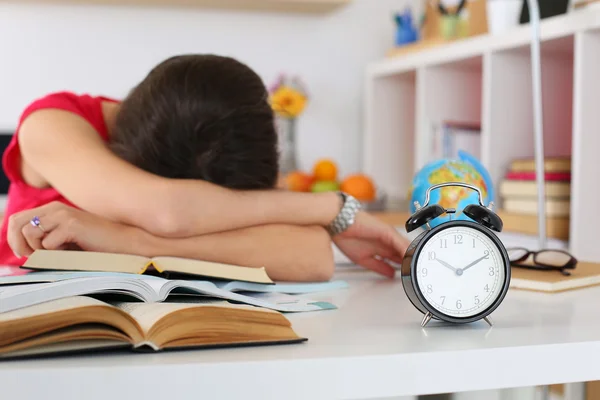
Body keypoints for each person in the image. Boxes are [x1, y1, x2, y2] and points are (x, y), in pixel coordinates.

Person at [1, 54, 409, 281]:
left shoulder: (208, 152)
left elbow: (311, 256)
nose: (205, 210)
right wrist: (330, 208)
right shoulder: (50, 124)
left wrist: (132, 243)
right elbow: (168, 212)